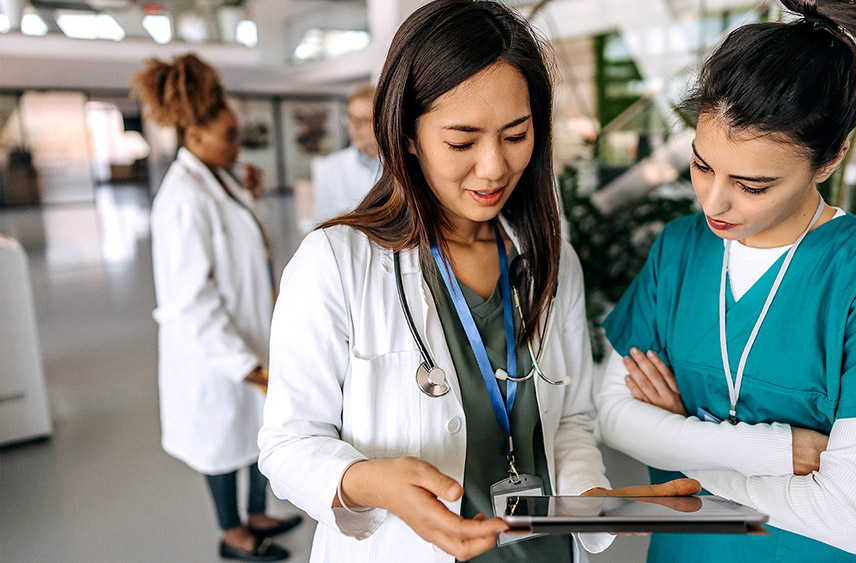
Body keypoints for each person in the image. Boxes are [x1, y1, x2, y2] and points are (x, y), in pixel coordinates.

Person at [258, 1, 696, 561]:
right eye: (462, 142)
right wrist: (371, 483)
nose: (493, 167)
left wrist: (592, 500)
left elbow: (570, 422)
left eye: (516, 134)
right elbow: (287, 444)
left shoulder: (549, 258)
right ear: (408, 136)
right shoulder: (336, 263)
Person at [596, 0, 856, 561]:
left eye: (753, 184)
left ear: (831, 158)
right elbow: (615, 416)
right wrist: (780, 450)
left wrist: (683, 446)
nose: (713, 202)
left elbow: (851, 518)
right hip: (690, 548)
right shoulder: (680, 247)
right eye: (701, 165)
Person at [133, 53, 301, 563]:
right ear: (194, 135)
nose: (236, 145)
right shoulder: (182, 199)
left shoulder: (219, 180)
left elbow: (243, 251)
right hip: (215, 352)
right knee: (222, 445)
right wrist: (244, 364)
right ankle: (233, 534)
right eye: (229, 136)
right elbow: (190, 303)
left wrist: (248, 194)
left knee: (254, 434)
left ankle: (256, 515)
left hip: (248, 333)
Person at [311, 84, 381, 225]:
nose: (354, 127)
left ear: (382, 121)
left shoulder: (403, 165)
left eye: (364, 120)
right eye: (350, 118)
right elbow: (320, 223)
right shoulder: (331, 167)